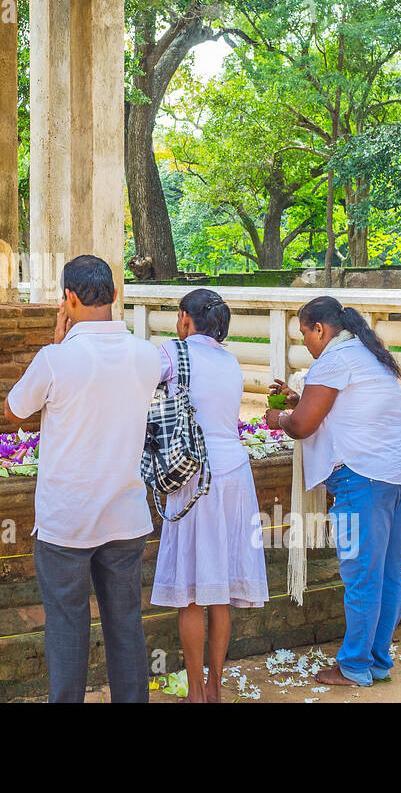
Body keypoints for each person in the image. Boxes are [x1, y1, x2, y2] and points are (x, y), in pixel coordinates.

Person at [4, 254, 161, 702]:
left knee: (67, 627)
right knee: (125, 624)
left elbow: (16, 410)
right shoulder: (147, 356)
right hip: (125, 516)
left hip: (66, 520)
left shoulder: (55, 359)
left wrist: (56, 345)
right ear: (115, 295)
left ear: (67, 299)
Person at [264, 295, 401, 688]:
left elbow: (302, 427)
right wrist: (299, 402)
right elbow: (336, 412)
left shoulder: (334, 360)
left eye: (305, 334)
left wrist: (279, 417)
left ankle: (353, 665)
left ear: (320, 328)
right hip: (400, 476)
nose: (305, 343)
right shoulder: (369, 355)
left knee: (361, 577)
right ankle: (377, 660)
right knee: (386, 573)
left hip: (363, 478)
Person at [150, 289, 268, 703]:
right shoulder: (230, 360)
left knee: (192, 591)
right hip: (234, 473)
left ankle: (197, 691)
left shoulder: (172, 353)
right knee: (218, 590)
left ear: (185, 318)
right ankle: (216, 687)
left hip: (192, 474)